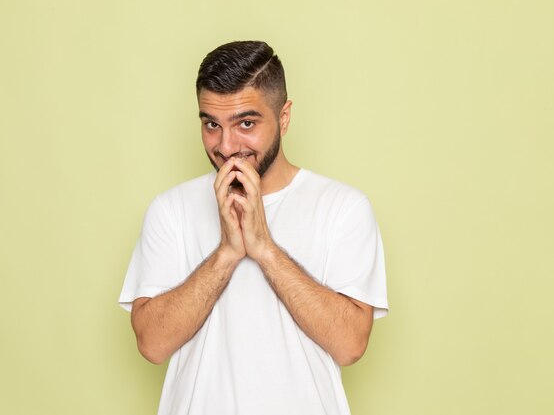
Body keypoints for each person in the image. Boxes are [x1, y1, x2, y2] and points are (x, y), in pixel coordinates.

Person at [118, 40, 388, 415]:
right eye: (212, 124)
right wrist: (227, 253)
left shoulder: (343, 207)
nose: (226, 146)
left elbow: (350, 345)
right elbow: (151, 343)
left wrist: (264, 249)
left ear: (284, 116)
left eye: (246, 123)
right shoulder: (170, 209)